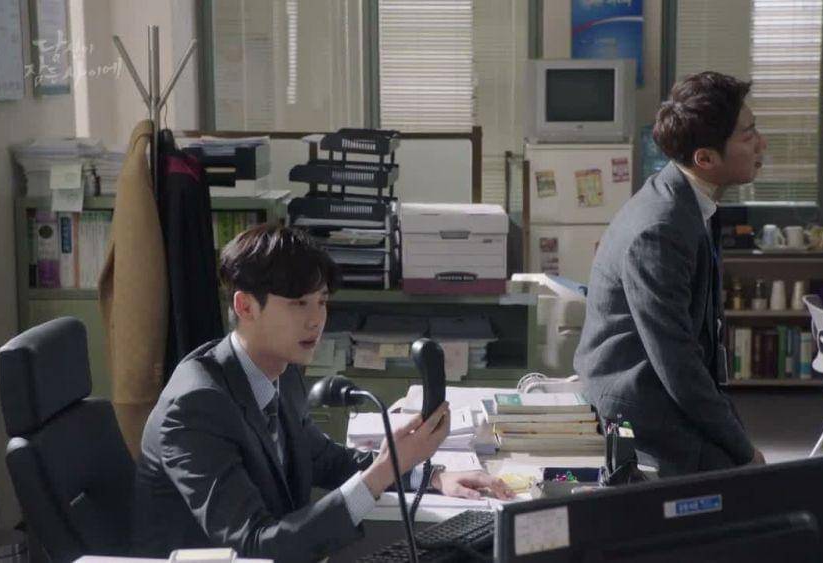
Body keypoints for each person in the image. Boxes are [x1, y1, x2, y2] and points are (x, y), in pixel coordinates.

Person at [133, 224, 512, 561]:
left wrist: (428, 476)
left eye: (322, 302)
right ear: (245, 306)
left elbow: (325, 460)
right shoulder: (195, 406)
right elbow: (254, 547)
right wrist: (381, 473)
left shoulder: (281, 372)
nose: (316, 320)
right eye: (298, 303)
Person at [574, 71, 769, 477]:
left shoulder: (687, 201)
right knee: (746, 486)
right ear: (705, 159)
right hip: (639, 411)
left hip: (663, 391)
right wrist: (742, 448)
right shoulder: (660, 229)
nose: (761, 144)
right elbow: (677, 363)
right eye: (749, 134)